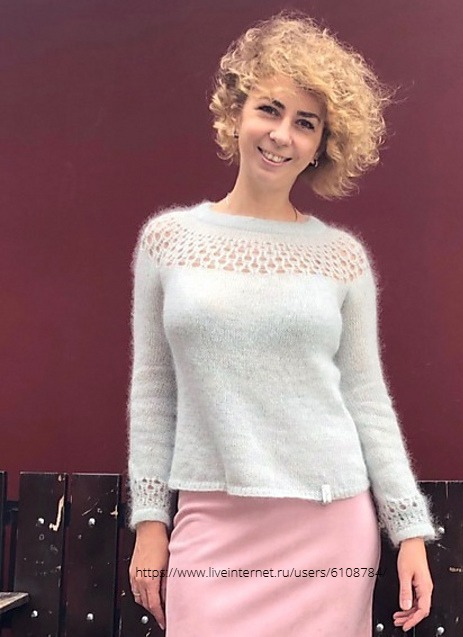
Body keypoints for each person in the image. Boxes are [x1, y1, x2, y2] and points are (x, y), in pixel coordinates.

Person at [127, 11, 439, 636]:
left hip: (329, 524)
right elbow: (154, 392)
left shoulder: (341, 258)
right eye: (269, 110)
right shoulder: (168, 242)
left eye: (305, 122)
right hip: (212, 522)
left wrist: (408, 529)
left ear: (323, 143)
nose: (281, 135)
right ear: (235, 114)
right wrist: (150, 524)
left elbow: (365, 396)